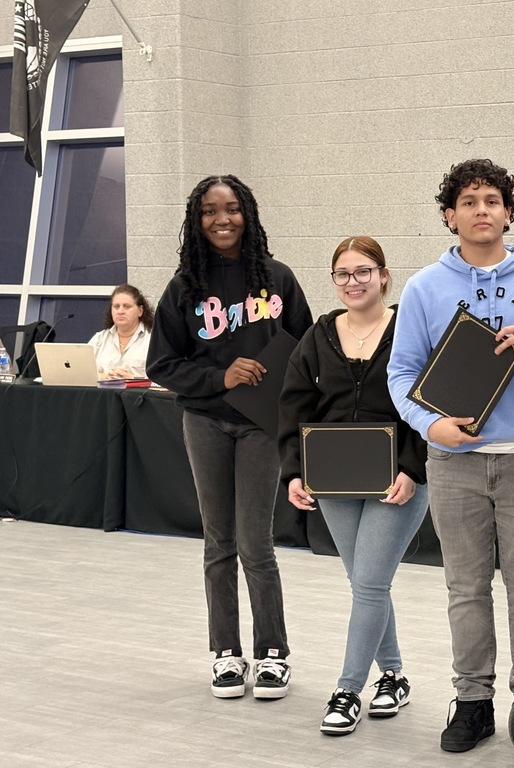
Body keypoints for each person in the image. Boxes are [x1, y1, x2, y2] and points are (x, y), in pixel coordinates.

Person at [387, 158, 514, 753]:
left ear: (508, 211)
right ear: (450, 216)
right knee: (465, 587)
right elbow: (401, 373)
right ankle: (472, 700)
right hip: (453, 466)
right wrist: (429, 424)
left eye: (492, 200)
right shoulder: (424, 287)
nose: (481, 210)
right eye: (468, 201)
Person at [146, 174, 312, 700]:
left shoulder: (278, 280)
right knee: (218, 541)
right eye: (210, 211)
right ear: (197, 221)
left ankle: (273, 654)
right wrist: (221, 376)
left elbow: (307, 351)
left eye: (233, 209)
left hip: (263, 428)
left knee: (254, 542)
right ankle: (224, 652)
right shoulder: (183, 288)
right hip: (205, 421)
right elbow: (161, 364)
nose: (222, 219)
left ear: (249, 215)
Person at [277, 236, 429, 736]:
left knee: (368, 584)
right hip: (335, 481)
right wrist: (295, 471)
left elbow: (432, 404)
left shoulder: (411, 326)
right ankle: (394, 676)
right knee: (366, 584)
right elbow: (295, 406)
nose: (353, 282)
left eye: (363, 271)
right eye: (343, 273)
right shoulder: (318, 337)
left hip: (398, 479)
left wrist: (413, 469)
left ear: (384, 276)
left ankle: (347, 690)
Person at [88, 284, 154, 379]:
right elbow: (82, 373)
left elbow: (162, 379)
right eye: (116, 306)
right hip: (103, 393)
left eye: (126, 307)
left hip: (138, 393)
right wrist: (106, 376)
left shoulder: (153, 340)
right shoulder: (99, 339)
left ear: (140, 311)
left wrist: (132, 379)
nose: (120, 311)